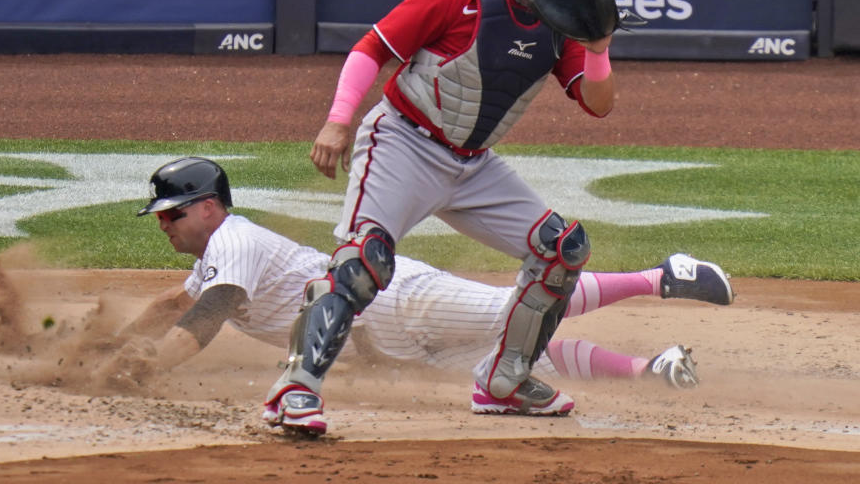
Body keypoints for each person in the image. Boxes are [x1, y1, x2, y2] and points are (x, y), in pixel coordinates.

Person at [266, 0, 624, 433]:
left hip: (474, 166)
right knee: (364, 263)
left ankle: (504, 378)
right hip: (404, 143)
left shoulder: (564, 21)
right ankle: (296, 388)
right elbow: (372, 48)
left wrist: (598, 48)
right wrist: (338, 120)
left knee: (563, 249)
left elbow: (598, 106)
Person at [106, 158, 734, 432]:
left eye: (170, 214)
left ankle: (662, 276)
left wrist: (139, 372)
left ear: (208, 208)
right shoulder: (217, 252)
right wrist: (103, 346)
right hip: (388, 342)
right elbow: (175, 304)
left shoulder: (234, 240)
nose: (163, 225)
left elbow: (207, 318)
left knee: (512, 310)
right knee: (521, 355)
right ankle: (649, 369)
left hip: (399, 300)